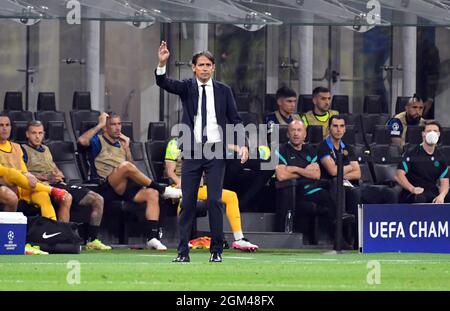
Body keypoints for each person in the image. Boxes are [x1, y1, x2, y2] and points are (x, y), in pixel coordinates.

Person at [156, 41, 249, 263]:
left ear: (214, 68)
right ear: (194, 67)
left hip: (216, 151)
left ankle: (216, 250)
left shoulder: (224, 91)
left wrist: (243, 143)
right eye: (201, 65)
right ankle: (182, 252)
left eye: (208, 64)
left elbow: (235, 119)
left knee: (215, 201)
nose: (205, 68)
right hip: (193, 150)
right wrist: (162, 63)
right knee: (187, 202)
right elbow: (163, 82)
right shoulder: (187, 87)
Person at [78, 112, 181, 251]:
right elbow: (82, 141)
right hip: (106, 186)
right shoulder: (98, 140)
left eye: (119, 124)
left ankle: (152, 238)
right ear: (106, 128)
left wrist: (127, 148)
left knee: (151, 194)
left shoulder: (122, 143)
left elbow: (132, 167)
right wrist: (100, 125)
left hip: (125, 185)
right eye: (113, 124)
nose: (117, 128)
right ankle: (162, 189)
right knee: (126, 167)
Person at [22, 120, 111, 250]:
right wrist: (46, 177)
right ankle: (61, 238)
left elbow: (52, 166)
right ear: (27, 134)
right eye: (34, 133)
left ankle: (92, 240)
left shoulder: (46, 149)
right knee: (66, 197)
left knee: (98, 199)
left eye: (40, 133)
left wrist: (58, 172)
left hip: (59, 183)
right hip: (41, 186)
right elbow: (22, 173)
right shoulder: (22, 150)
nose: (37, 136)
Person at [165, 137, 258, 251]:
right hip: (181, 186)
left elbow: (222, 145)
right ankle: (183, 240)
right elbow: (170, 171)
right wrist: (180, 182)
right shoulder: (174, 143)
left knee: (231, 196)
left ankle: (239, 239)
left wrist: (239, 148)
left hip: (200, 187)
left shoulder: (205, 142)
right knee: (184, 201)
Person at [274, 120, 353, 249]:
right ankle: (340, 225)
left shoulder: (311, 149)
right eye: (293, 130)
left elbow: (316, 174)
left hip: (313, 187)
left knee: (336, 188)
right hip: (297, 191)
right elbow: (282, 175)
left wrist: (293, 169)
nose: (296, 134)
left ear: (305, 134)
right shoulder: (281, 150)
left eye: (299, 130)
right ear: (288, 134)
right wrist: (305, 170)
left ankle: (342, 229)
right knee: (326, 198)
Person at [0, 114, 67, 221]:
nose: (4, 128)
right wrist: (25, 174)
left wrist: (27, 174)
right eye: (1, 125)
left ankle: (52, 232)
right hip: (6, 184)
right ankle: (51, 189)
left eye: (7, 125)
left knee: (43, 195)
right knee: (11, 172)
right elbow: (3, 170)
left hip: (24, 187)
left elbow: (24, 170)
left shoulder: (16, 147)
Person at [395, 120, 449, 203]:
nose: (432, 133)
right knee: (420, 199)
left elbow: (444, 181)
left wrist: (442, 195)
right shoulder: (412, 153)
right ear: (423, 134)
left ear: (439, 134)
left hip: (432, 191)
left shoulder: (441, 156)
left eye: (435, 131)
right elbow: (399, 175)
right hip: (414, 192)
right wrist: (412, 188)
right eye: (428, 131)